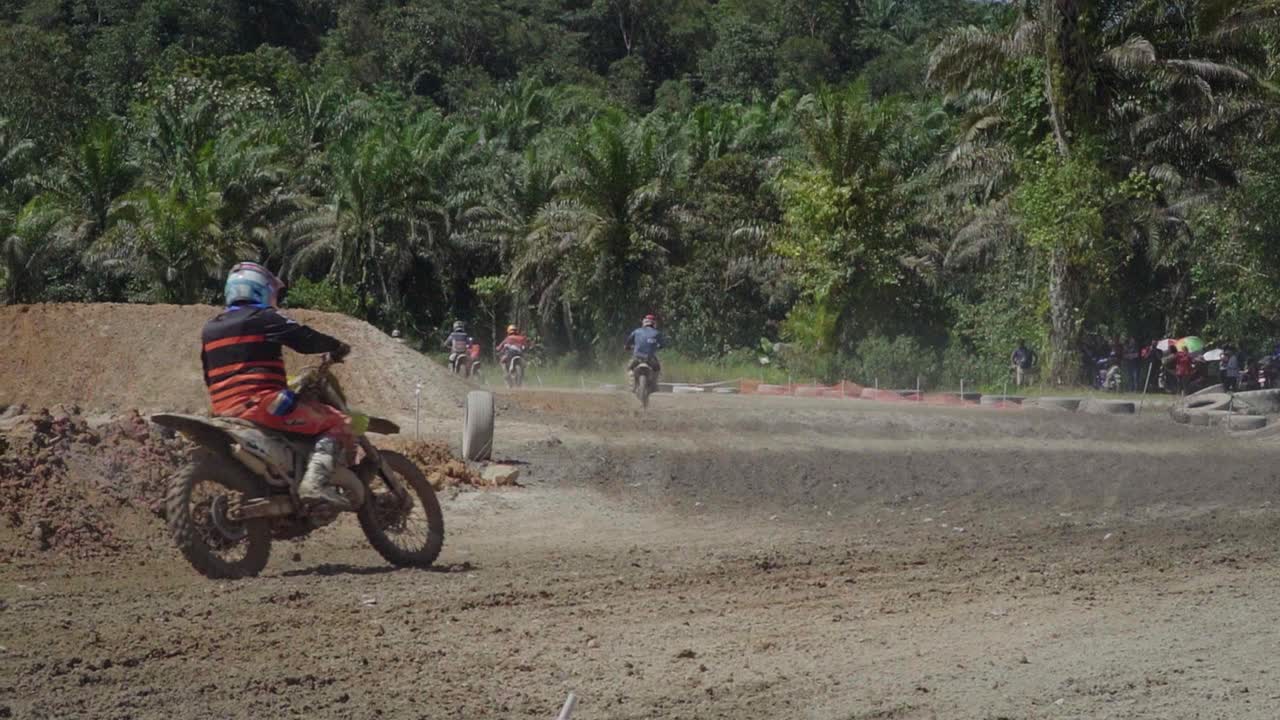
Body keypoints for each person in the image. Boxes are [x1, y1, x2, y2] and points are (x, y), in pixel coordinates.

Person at [201, 262, 353, 508]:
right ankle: (314, 483)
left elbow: (208, 374)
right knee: (338, 422)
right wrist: (336, 347)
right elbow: (305, 339)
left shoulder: (210, 328)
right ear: (259, 289)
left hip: (223, 408)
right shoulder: (264, 318)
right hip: (263, 405)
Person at [625, 314, 665, 379]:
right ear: (654, 323)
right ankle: (655, 383)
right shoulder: (657, 333)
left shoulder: (636, 331)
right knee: (658, 369)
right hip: (650, 358)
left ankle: (631, 382)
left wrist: (627, 347)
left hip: (637, 357)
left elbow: (628, 342)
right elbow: (662, 345)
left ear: (644, 322)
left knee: (629, 368)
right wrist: (659, 346)